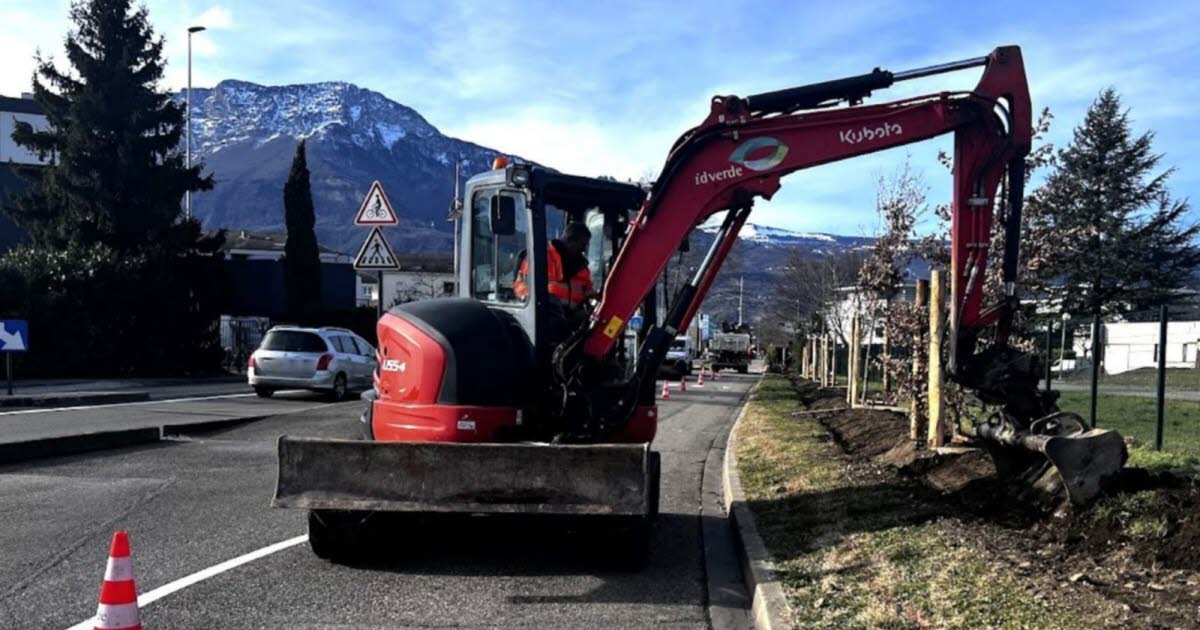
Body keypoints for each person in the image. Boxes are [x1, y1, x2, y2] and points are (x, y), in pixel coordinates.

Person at [513, 222, 594, 306]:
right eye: (582, 244)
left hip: (574, 316)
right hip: (543, 315)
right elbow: (522, 289)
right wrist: (548, 304)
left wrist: (596, 296)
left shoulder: (581, 266)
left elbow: (587, 290)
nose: (584, 249)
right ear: (570, 240)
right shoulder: (539, 258)